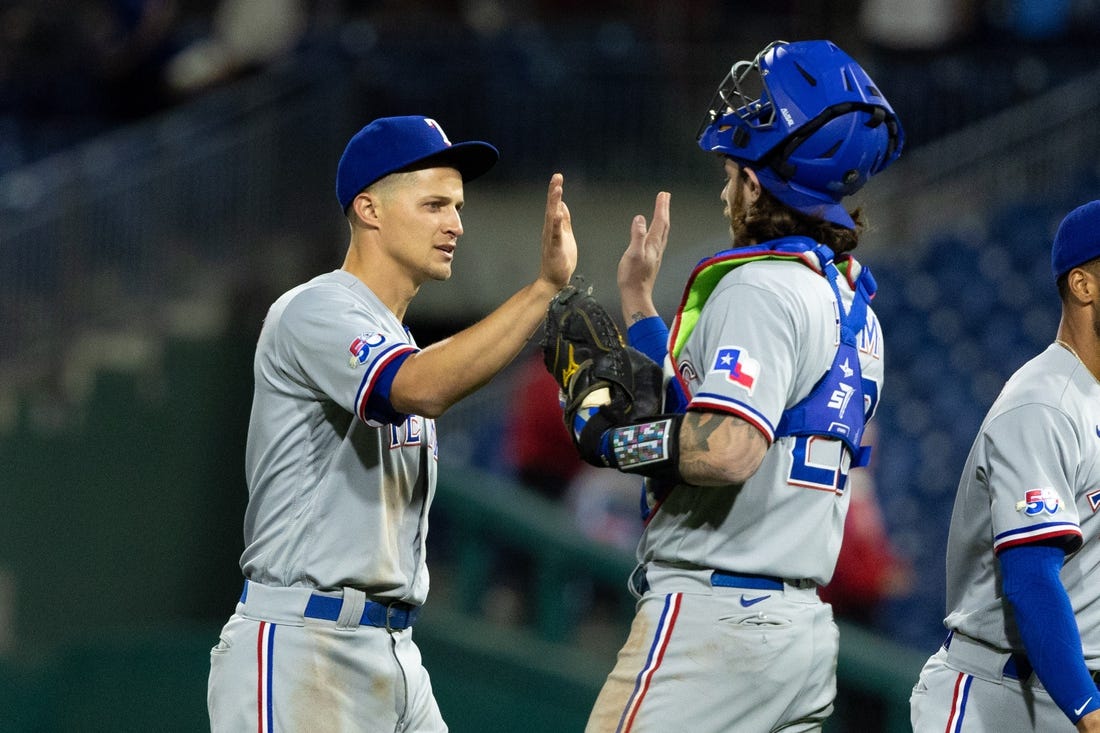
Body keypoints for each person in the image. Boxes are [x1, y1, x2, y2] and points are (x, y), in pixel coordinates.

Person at [563, 40, 904, 731]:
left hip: (713, 625)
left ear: (757, 181)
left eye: (733, 171)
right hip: (796, 630)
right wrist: (640, 311)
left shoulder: (761, 286)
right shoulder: (852, 306)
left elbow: (726, 449)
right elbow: (719, 404)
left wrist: (611, 438)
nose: (726, 182)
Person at [206, 115, 577, 732]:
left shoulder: (395, 337)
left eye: (457, 206)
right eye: (434, 204)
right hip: (304, 643)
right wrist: (543, 290)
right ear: (369, 209)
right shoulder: (314, 309)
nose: (455, 224)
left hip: (393, 650)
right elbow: (419, 389)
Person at [910, 200, 1100, 732]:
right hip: (999, 698)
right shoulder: (1044, 404)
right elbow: (1030, 578)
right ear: (1083, 286)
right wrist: (1090, 714)